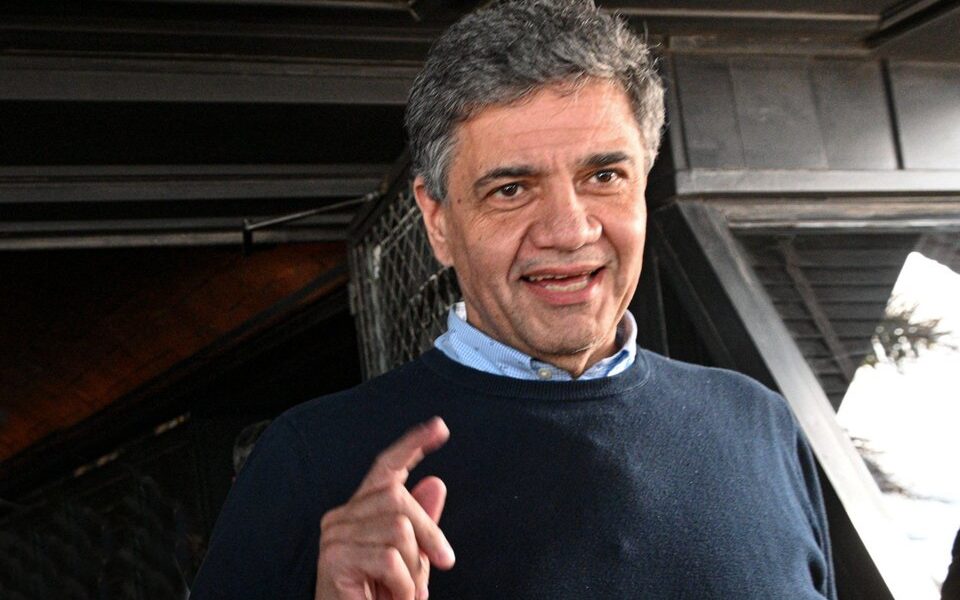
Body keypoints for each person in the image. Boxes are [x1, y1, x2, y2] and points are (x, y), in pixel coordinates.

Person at [190, 1, 836, 598]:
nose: (569, 230)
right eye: (511, 190)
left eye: (603, 175)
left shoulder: (761, 425)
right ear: (438, 221)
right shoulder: (310, 465)